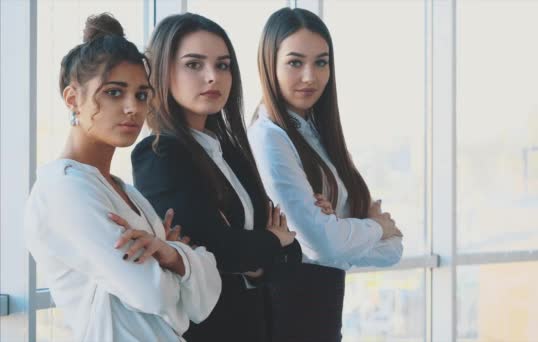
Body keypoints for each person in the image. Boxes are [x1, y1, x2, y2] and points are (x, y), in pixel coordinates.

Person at [131, 13, 329, 341]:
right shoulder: (158, 154)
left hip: (256, 326)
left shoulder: (231, 152)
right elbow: (213, 251)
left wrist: (262, 250)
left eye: (223, 65)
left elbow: (290, 254)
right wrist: (270, 243)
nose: (213, 77)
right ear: (163, 72)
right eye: (194, 65)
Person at [24, 13, 221, 342]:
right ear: (73, 98)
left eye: (142, 95)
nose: (133, 107)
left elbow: (205, 297)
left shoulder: (124, 191)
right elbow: (155, 296)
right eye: (114, 93)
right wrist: (181, 264)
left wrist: (170, 254)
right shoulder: (64, 187)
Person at [248, 7, 404, 341]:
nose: (310, 76)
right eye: (295, 62)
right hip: (287, 315)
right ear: (269, 64)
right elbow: (323, 244)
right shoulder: (269, 137)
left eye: (321, 62)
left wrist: (340, 235)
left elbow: (393, 250)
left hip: (322, 315)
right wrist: (375, 227)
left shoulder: (318, 135)